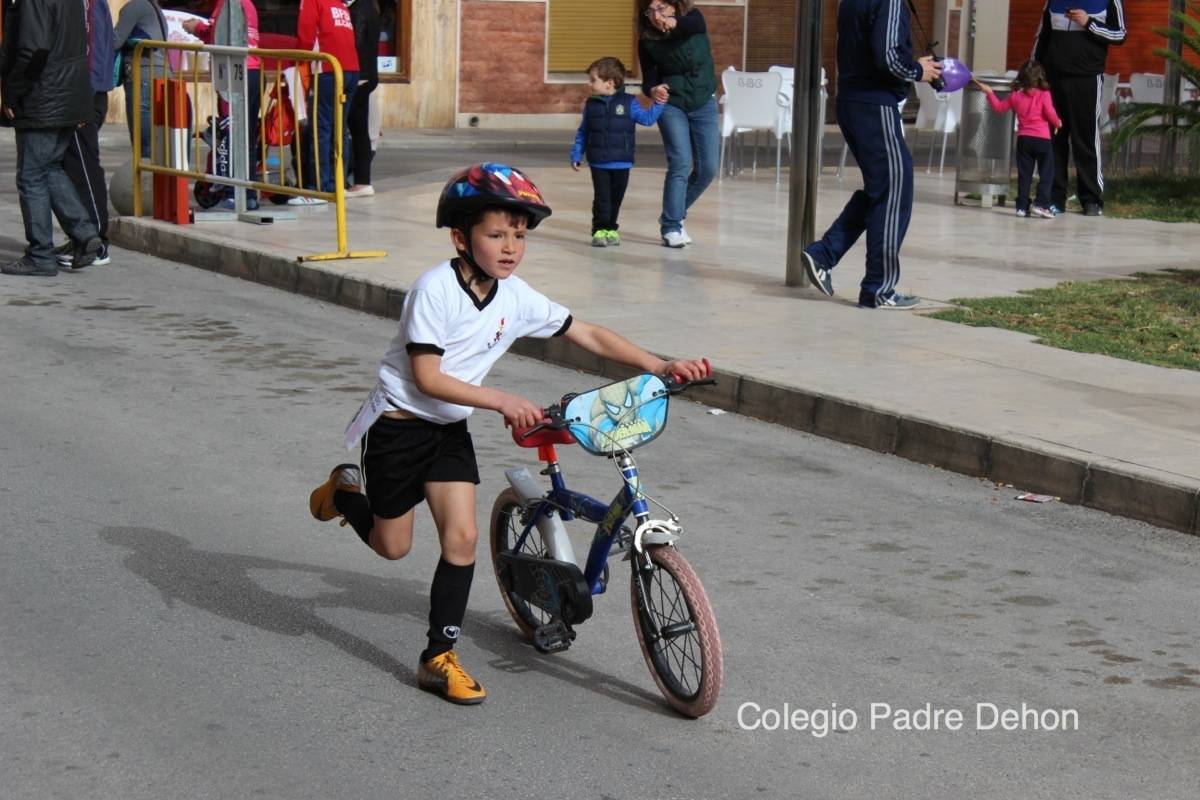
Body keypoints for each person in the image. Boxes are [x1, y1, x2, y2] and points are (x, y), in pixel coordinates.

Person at [307, 163, 709, 704]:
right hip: (398, 428)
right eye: (496, 234)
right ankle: (345, 494)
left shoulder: (515, 296)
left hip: (448, 431)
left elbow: (584, 331)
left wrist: (657, 364)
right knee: (392, 545)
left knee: (463, 539)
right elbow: (427, 377)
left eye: (519, 235)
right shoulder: (434, 291)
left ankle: (437, 658)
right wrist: (502, 400)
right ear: (460, 237)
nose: (510, 246)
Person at [799, 0, 941, 310]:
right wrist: (919, 69)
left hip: (855, 102)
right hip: (874, 105)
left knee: (883, 189)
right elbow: (887, 57)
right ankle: (879, 288)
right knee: (894, 192)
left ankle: (824, 254)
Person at [0, 0, 103, 277]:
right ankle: (84, 233)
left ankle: (40, 254)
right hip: (67, 94)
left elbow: (33, 49)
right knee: (50, 167)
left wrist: (12, 93)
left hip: (44, 96)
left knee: (31, 176)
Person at [636, 0, 717, 248]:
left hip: (704, 100)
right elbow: (649, 77)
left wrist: (674, 23)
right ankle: (671, 226)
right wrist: (653, 89)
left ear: (674, 6)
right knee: (680, 162)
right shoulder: (647, 40)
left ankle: (673, 213)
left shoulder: (693, 19)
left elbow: (695, 22)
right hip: (672, 104)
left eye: (661, 8)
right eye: (650, 11)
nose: (655, 16)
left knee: (708, 168)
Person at [1033, 1, 1126, 217]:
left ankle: (1091, 199)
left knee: (1085, 138)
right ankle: (1054, 198)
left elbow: (1120, 34)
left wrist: (1089, 23)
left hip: (1087, 77)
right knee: (1054, 139)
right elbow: (1042, 36)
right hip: (1053, 78)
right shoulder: (1053, 2)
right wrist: (1033, 71)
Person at [570, 56, 666, 247]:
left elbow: (647, 119)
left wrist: (659, 104)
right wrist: (576, 154)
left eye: (593, 80)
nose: (590, 84)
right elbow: (583, 131)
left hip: (622, 161)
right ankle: (599, 230)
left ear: (610, 83)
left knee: (616, 198)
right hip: (598, 162)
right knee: (602, 199)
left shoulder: (630, 103)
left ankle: (611, 229)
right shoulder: (591, 105)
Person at [182, 0, 262, 211]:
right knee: (247, 136)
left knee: (230, 132)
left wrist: (195, 28)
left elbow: (218, 36)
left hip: (233, 72)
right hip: (253, 70)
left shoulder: (227, 4)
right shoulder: (248, 4)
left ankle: (232, 192)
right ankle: (249, 193)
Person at [58, 0, 117, 269]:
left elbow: (91, 51)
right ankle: (81, 236)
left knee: (85, 169)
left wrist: (84, 96)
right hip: (85, 93)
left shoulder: (87, 5)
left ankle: (96, 240)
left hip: (84, 95)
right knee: (72, 167)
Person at [292, 0, 359, 205]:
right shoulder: (339, 4)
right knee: (339, 129)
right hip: (350, 69)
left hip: (328, 68)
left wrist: (296, 59)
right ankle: (337, 184)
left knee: (321, 129)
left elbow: (306, 35)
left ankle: (318, 189)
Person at [977, 61, 1063, 219]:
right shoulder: (1044, 95)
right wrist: (1058, 122)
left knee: (1024, 175)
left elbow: (999, 107)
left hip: (1024, 140)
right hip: (1042, 140)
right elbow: (1050, 113)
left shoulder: (1015, 96)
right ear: (1039, 78)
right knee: (1047, 173)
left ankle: (1022, 207)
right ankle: (1041, 204)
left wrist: (989, 92)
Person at [114, 0, 169, 161]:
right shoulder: (154, 8)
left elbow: (115, 41)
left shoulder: (134, 7)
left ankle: (145, 184)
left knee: (143, 147)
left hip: (142, 77)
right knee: (156, 142)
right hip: (161, 74)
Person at [345, 0, 380, 198]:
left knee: (343, 130)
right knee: (360, 131)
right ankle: (362, 181)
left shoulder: (358, 9)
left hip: (357, 76)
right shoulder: (370, 7)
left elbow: (354, 44)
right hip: (367, 76)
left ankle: (342, 180)